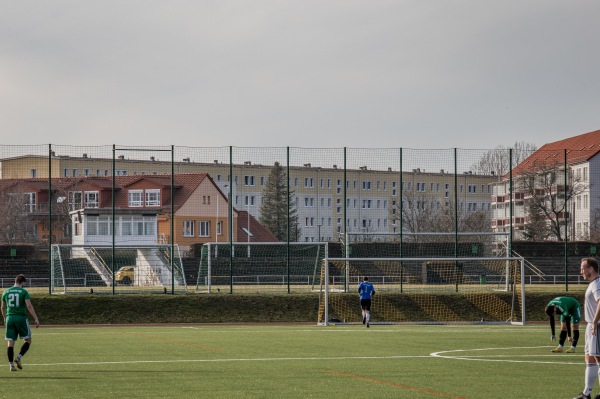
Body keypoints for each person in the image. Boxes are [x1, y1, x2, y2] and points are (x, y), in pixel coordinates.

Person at [1, 274, 40, 372]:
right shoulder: (23, 292)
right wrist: (35, 318)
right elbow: (29, 306)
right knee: (28, 340)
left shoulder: (6, 291)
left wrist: (5, 318)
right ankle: (18, 357)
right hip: (21, 318)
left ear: (15, 281)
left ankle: (11, 366)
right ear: (23, 282)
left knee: (10, 342)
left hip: (10, 318)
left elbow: (2, 307)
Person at [573, 258, 600, 399]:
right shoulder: (592, 284)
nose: (581, 271)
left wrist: (595, 322)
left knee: (598, 359)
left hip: (597, 326)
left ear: (591, 269)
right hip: (591, 326)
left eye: (583, 268)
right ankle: (586, 394)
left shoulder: (597, 284)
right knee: (589, 359)